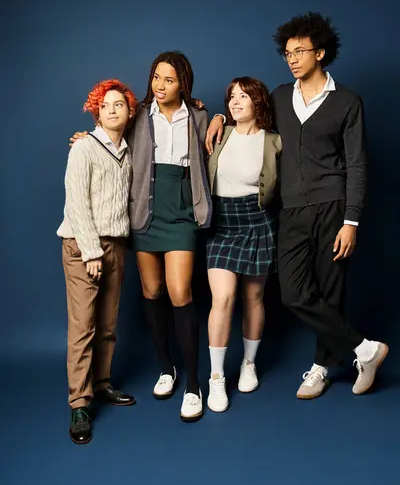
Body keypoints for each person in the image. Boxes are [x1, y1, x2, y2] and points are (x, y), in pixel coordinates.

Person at [206, 12, 389, 399]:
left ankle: (321, 368)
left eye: (300, 51)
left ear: (320, 53)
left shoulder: (346, 102)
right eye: (287, 52)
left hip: (333, 206)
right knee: (292, 293)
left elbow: (356, 163)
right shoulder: (276, 97)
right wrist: (218, 116)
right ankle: (364, 349)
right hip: (291, 210)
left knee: (331, 288)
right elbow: (247, 109)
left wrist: (351, 221)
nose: (291, 58)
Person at [70, 52, 211, 422]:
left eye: (169, 80)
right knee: (152, 291)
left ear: (183, 84)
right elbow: (109, 133)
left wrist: (221, 117)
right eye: (156, 78)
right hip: (144, 211)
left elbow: (216, 143)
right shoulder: (138, 117)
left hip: (181, 210)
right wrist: (86, 137)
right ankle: (167, 368)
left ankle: (194, 384)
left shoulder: (199, 116)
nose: (160, 86)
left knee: (181, 290)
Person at [57, 79, 137, 445]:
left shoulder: (129, 151)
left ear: (129, 111)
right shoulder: (84, 148)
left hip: (115, 244)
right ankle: (80, 403)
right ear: (96, 111)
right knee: (83, 326)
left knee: (108, 321)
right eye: (105, 105)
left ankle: (102, 384)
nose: (112, 109)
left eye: (119, 104)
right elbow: (76, 202)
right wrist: (90, 252)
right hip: (82, 245)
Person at [206, 77, 281, 413]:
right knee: (222, 297)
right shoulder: (218, 133)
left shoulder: (274, 140)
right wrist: (215, 118)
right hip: (222, 222)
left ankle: (248, 363)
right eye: (231, 97)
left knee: (254, 296)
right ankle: (216, 377)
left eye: (243, 96)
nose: (235, 102)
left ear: (258, 102)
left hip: (257, 219)